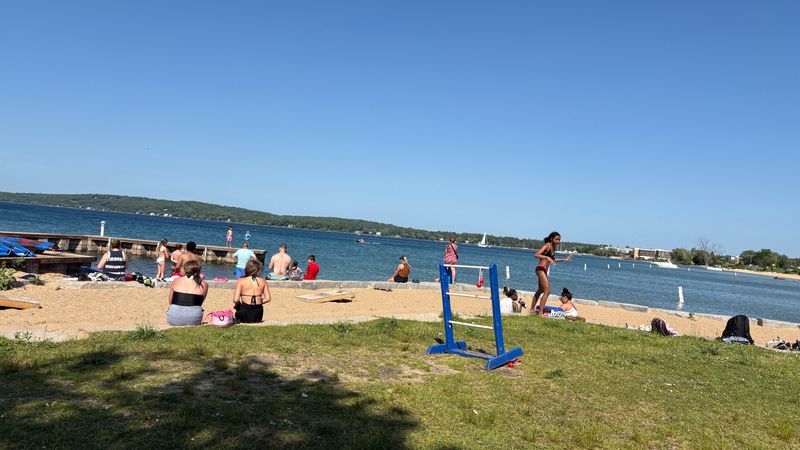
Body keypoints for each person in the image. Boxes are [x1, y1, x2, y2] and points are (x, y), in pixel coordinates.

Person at [531, 231, 573, 316]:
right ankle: (540, 313)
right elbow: (536, 254)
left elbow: (552, 260)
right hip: (540, 269)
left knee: (540, 290)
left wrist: (565, 259)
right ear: (551, 238)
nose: (558, 241)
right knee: (547, 290)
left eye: (559, 240)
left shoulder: (553, 248)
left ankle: (531, 309)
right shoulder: (547, 245)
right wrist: (546, 257)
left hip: (544, 270)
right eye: (556, 239)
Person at [166, 260, 209, 326]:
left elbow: (170, 301)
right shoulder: (204, 284)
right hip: (194, 319)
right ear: (199, 271)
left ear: (185, 269)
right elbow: (200, 303)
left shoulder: (176, 281)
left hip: (173, 317)